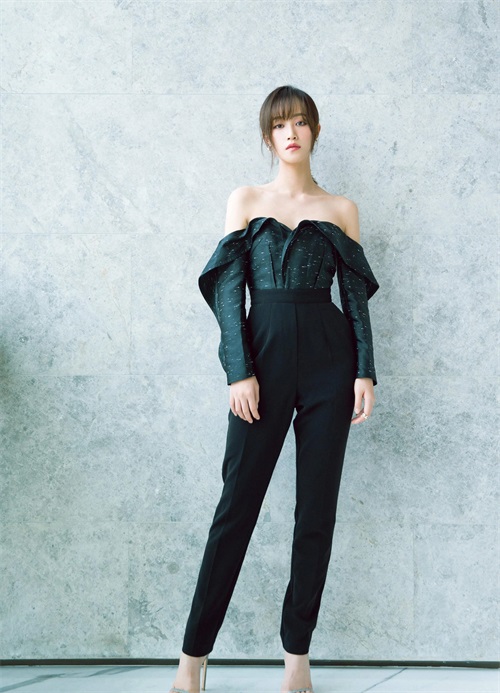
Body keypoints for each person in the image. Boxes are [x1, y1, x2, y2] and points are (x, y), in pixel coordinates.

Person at [169, 85, 379, 693]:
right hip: (261, 361)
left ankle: (297, 659)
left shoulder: (341, 208)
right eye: (281, 124)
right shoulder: (246, 200)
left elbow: (356, 300)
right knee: (236, 506)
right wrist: (238, 371)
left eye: (301, 122)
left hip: (330, 365)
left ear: (315, 131)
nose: (291, 132)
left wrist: (365, 370)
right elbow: (228, 293)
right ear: (268, 136)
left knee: (316, 511)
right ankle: (192, 657)